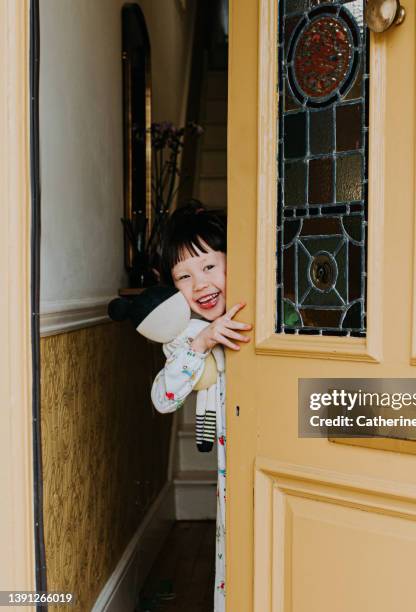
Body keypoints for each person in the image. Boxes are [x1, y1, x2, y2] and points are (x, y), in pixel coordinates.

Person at [152, 201, 252, 611]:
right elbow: (164, 398)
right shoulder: (184, 336)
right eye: (184, 276)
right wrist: (203, 343)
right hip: (234, 466)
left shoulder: (265, 311)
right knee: (240, 555)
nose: (200, 284)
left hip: (276, 449)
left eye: (210, 267)